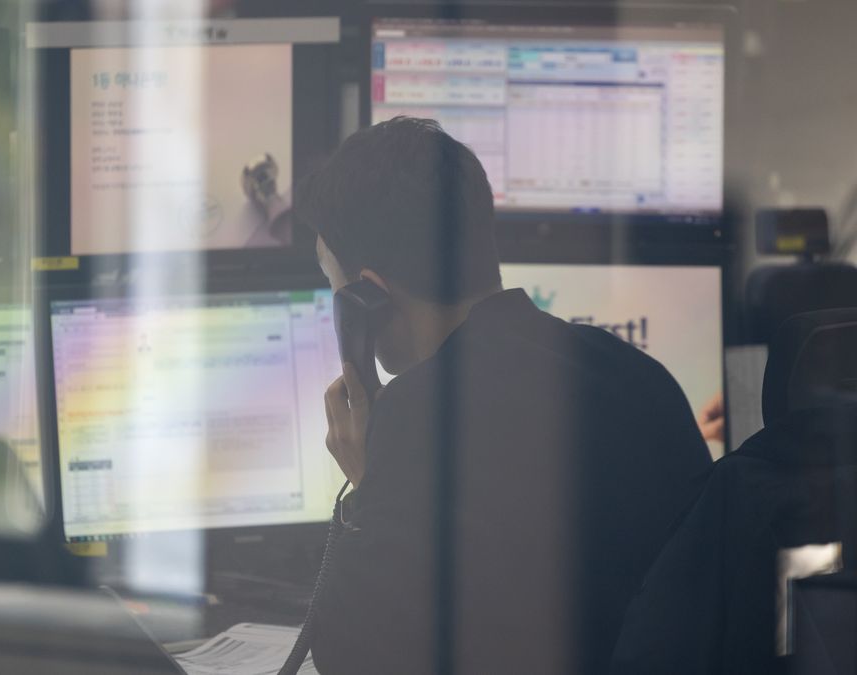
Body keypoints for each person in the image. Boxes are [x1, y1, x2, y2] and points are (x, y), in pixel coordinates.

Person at [294, 117, 712, 674]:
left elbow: (358, 658)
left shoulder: (418, 417)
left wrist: (370, 487)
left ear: (368, 297)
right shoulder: (638, 375)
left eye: (333, 285)